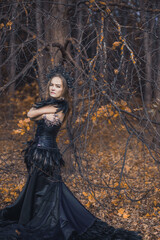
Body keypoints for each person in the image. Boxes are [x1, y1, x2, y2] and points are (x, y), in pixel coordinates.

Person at [0, 65, 142, 240]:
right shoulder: (50, 105)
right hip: (37, 154)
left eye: (58, 86)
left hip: (47, 156)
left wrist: (41, 111)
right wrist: (42, 110)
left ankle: (51, 222)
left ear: (64, 89)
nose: (53, 88)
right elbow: (31, 113)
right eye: (52, 84)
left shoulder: (63, 106)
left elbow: (32, 114)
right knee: (37, 189)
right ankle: (35, 218)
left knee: (50, 191)